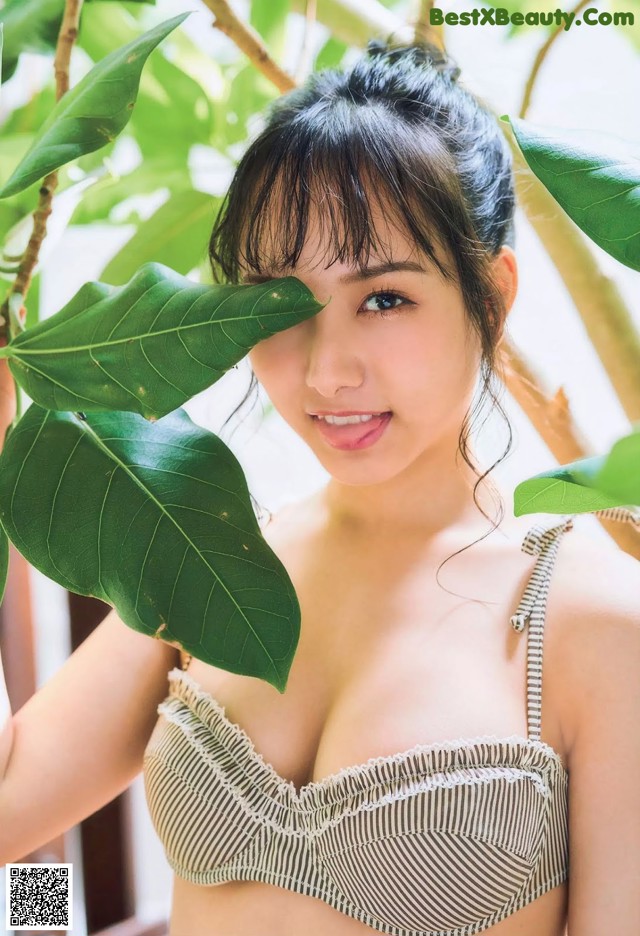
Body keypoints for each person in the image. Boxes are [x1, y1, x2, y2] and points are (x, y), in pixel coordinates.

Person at [1, 40, 639, 936]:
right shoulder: (216, 559)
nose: (327, 372)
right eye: (282, 304)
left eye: (383, 299)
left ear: (490, 297)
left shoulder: (598, 624)